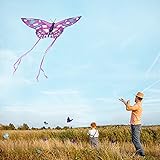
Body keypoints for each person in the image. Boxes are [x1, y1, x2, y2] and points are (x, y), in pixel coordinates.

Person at [119, 92, 145, 157]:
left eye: (135, 97)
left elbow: (128, 108)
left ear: (137, 98)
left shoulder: (137, 105)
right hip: (134, 124)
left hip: (136, 125)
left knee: (136, 140)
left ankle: (142, 154)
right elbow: (128, 108)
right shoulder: (136, 105)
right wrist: (125, 103)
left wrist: (127, 103)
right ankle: (139, 152)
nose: (135, 98)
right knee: (134, 140)